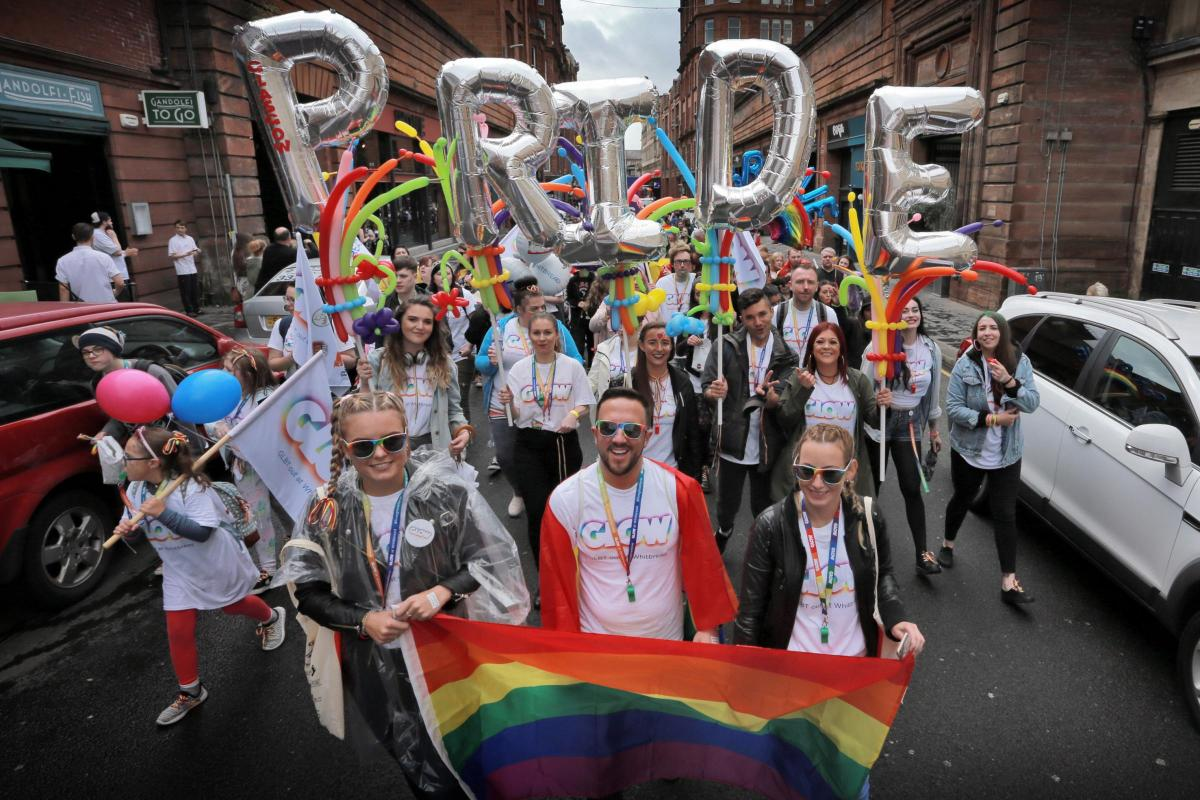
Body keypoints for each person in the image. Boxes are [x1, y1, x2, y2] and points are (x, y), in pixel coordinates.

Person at [279, 391, 528, 798]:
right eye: (364, 447)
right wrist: (364, 620)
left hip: (446, 650)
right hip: (375, 659)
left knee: (467, 746)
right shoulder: (327, 508)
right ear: (345, 448)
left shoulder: (446, 491)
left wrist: (442, 592)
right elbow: (308, 591)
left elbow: (486, 561)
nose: (380, 454)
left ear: (407, 438)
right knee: (416, 760)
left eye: (392, 441)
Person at [735, 424, 925, 797]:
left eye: (831, 474)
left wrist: (898, 619)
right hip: (793, 681)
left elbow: (884, 578)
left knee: (850, 780)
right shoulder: (771, 525)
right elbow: (751, 612)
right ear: (794, 468)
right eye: (806, 471)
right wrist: (746, 680)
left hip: (853, 680)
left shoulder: (868, 517)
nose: (817, 483)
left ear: (851, 471)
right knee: (793, 780)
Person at [112, 427, 286, 726]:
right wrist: (128, 530)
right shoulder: (136, 490)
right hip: (178, 569)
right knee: (178, 630)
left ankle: (272, 617)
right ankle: (191, 691)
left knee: (232, 605)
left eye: (128, 456)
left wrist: (163, 513)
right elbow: (134, 527)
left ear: (153, 462)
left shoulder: (191, 487)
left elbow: (203, 532)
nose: (122, 461)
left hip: (215, 564)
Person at [540, 387, 736, 642]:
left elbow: (704, 564)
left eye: (632, 430)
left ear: (647, 436)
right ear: (595, 434)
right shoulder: (565, 499)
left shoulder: (680, 490)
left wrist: (708, 629)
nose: (619, 438)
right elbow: (556, 588)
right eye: (608, 428)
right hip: (596, 647)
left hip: (666, 645)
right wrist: (566, 648)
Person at [942, 312, 1040, 604]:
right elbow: (953, 407)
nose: (987, 332)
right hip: (969, 451)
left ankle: (1008, 582)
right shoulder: (966, 364)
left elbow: (1032, 403)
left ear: (1003, 332)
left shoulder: (1019, 363)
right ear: (976, 334)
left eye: (993, 327)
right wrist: (993, 419)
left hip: (1007, 453)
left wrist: (1009, 381)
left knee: (1005, 513)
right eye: (982, 328)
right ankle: (948, 543)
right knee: (962, 498)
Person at [702, 288, 798, 552]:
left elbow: (785, 399)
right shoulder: (725, 346)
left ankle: (764, 548)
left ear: (771, 312)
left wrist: (773, 399)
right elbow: (707, 385)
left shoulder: (786, 354)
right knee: (727, 505)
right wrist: (714, 392)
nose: (758, 322)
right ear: (741, 318)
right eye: (750, 317)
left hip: (767, 444)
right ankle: (724, 530)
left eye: (763, 314)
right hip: (732, 439)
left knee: (763, 505)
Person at [497, 311, 594, 572]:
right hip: (528, 444)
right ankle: (546, 574)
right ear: (530, 336)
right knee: (537, 510)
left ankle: (572, 569)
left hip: (563, 445)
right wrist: (510, 404)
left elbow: (585, 403)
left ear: (556, 335)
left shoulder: (572, 366)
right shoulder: (519, 369)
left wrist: (574, 415)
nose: (542, 338)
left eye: (547, 332)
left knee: (565, 509)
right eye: (537, 333)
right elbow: (516, 416)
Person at [476, 285, 583, 518]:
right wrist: (491, 362)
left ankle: (548, 497)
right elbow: (480, 361)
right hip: (505, 403)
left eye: (543, 307)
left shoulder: (555, 328)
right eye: (534, 308)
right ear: (518, 310)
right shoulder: (500, 328)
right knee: (505, 455)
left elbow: (576, 358)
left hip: (544, 406)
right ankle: (519, 492)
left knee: (539, 457)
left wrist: (564, 374)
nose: (541, 312)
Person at [863, 297, 944, 574]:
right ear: (895, 317)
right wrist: (876, 400)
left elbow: (933, 395)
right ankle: (864, 549)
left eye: (915, 310)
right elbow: (863, 386)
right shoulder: (879, 345)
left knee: (912, 487)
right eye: (905, 310)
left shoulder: (931, 348)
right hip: (880, 423)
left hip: (909, 424)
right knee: (872, 488)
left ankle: (922, 554)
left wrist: (934, 430)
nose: (911, 315)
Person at [771, 322, 889, 501]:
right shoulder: (800, 377)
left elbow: (875, 421)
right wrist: (802, 390)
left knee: (846, 516)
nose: (826, 346)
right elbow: (784, 419)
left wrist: (882, 406)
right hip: (808, 469)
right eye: (820, 342)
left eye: (833, 342)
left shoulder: (857, 380)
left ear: (841, 348)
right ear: (812, 348)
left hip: (844, 469)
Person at [206, 347, 289, 586]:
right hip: (244, 467)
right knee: (258, 516)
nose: (224, 374)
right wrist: (217, 426)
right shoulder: (226, 395)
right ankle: (268, 569)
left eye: (230, 370)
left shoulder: (268, 397)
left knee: (288, 507)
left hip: (274, 464)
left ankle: (302, 544)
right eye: (224, 368)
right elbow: (211, 419)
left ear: (250, 375)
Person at [356, 297, 472, 457]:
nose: (420, 326)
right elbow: (364, 408)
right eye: (412, 319)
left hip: (435, 450)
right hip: (391, 448)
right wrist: (364, 381)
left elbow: (454, 411)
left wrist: (463, 431)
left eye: (427, 322)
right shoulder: (378, 360)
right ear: (399, 322)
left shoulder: (445, 364)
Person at [77, 326, 177, 443]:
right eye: (85, 352)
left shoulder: (150, 371)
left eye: (98, 349)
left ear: (113, 349)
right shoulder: (98, 383)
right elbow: (120, 416)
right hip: (140, 447)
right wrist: (106, 433)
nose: (91, 356)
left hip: (171, 443)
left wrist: (192, 449)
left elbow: (181, 411)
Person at [630, 322, 703, 479]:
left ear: (671, 347)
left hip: (672, 473)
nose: (659, 348)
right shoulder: (628, 383)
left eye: (665, 343)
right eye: (652, 342)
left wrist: (695, 476)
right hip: (635, 473)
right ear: (641, 345)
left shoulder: (683, 382)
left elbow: (693, 432)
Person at [266, 285, 358, 379]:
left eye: (293, 300)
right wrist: (291, 358)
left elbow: (351, 361)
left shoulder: (332, 323)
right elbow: (272, 364)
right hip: (296, 386)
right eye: (286, 299)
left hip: (329, 386)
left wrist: (326, 354)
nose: (287, 305)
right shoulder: (282, 324)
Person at [775, 261, 838, 360]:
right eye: (800, 282)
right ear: (790, 285)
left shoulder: (828, 313)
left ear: (817, 286)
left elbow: (834, 351)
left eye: (810, 282)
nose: (806, 287)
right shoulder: (776, 313)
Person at [57, 222, 124, 303]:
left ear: (73, 237)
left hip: (83, 307)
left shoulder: (62, 261)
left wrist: (66, 308)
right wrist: (115, 293)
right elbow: (120, 282)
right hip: (107, 304)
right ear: (92, 237)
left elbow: (63, 289)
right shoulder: (104, 257)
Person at [588, 327, 639, 397]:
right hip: (607, 401)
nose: (621, 329)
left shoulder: (647, 349)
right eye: (619, 324)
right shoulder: (604, 348)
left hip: (636, 401)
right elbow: (592, 382)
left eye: (626, 324)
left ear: (639, 326)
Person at [90, 211, 137, 287]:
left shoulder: (101, 234)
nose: (112, 222)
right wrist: (114, 236)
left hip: (116, 275)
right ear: (104, 222)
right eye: (110, 220)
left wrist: (125, 252)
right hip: (112, 278)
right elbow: (117, 252)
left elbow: (111, 252)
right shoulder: (98, 234)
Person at [167, 220, 202, 315]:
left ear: (186, 229)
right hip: (182, 270)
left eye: (182, 227)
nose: (180, 229)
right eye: (177, 227)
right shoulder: (173, 240)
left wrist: (196, 252)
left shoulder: (190, 239)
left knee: (194, 290)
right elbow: (172, 256)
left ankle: (197, 309)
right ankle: (189, 310)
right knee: (186, 291)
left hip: (192, 268)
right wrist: (185, 254)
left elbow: (196, 249)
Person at [656, 243, 696, 318]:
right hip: (667, 325)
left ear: (691, 263)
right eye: (678, 261)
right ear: (672, 264)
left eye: (686, 261)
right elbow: (656, 311)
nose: (682, 265)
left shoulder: (696, 280)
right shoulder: (662, 283)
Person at [256, 227, 296, 294]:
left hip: (265, 289)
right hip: (283, 290)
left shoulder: (268, 250)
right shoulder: (292, 253)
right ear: (289, 237)